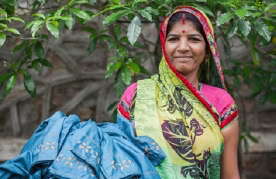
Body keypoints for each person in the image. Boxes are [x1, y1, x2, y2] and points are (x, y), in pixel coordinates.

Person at [117, 6, 240, 179]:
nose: (183, 47)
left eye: (194, 39)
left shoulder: (221, 103)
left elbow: (230, 175)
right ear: (164, 46)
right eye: (174, 39)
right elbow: (120, 166)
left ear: (207, 50)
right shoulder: (137, 95)